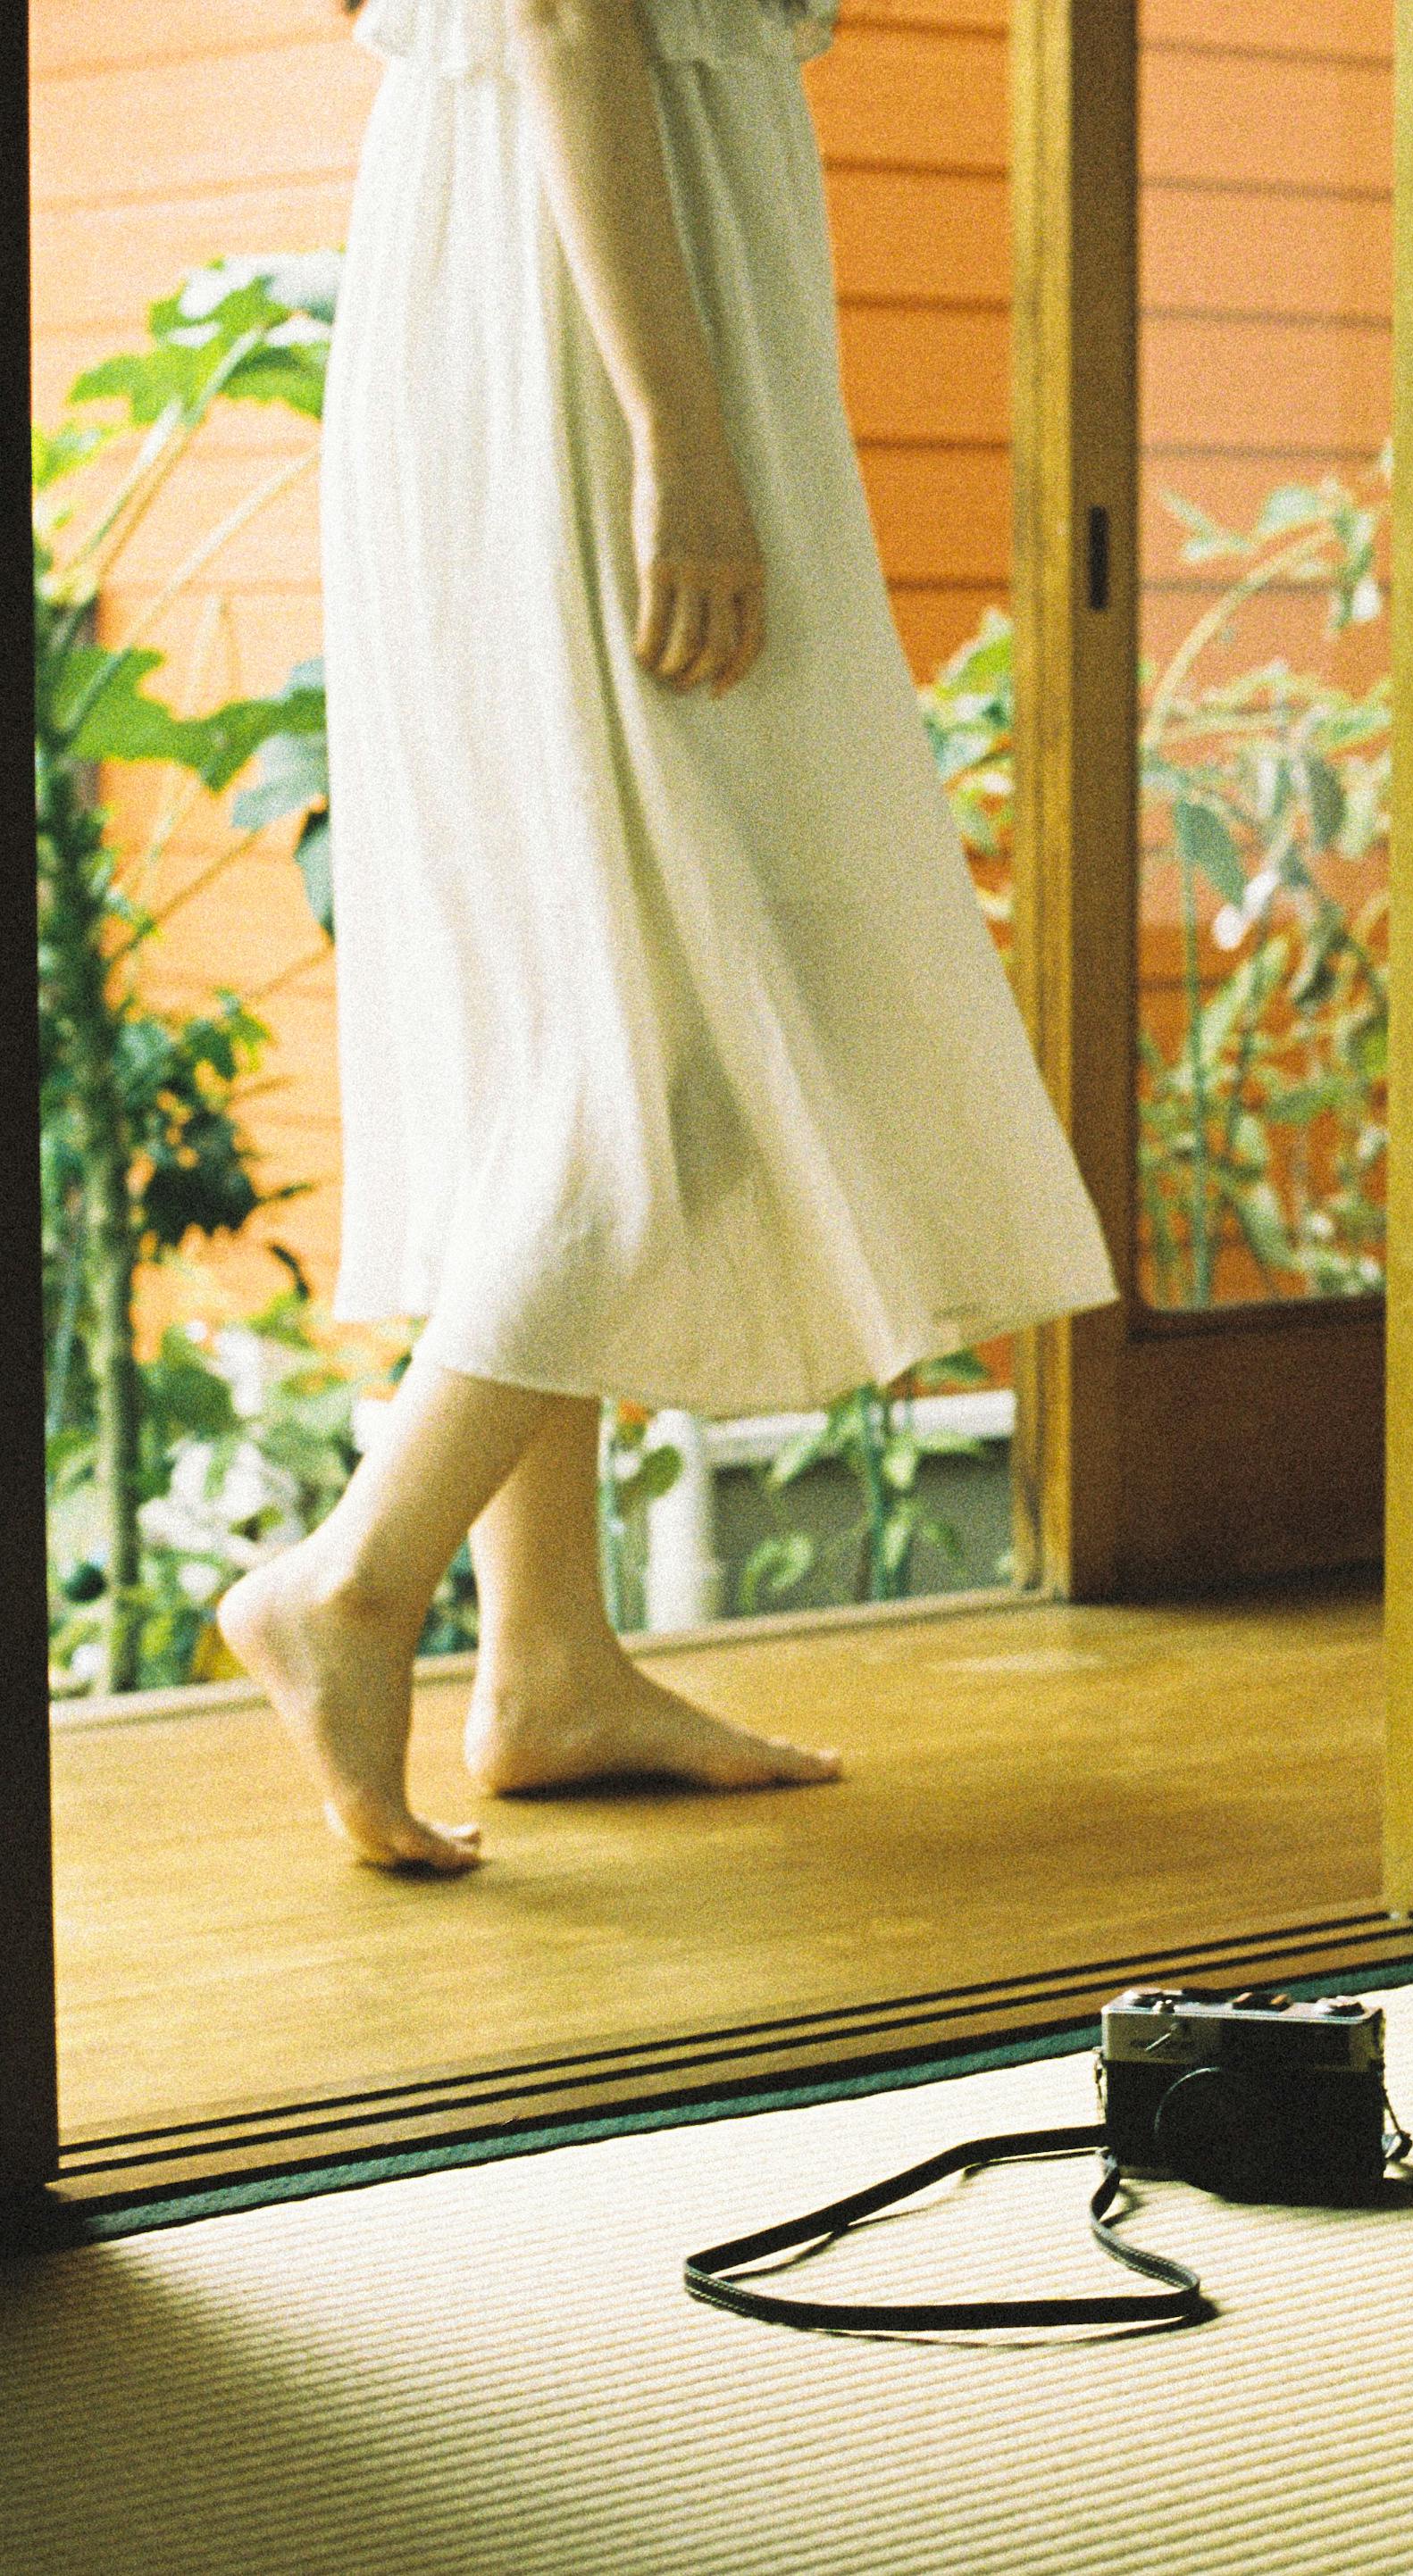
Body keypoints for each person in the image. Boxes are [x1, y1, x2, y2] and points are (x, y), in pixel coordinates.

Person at [218, 0, 1120, 1873]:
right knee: (709, 994)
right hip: (587, 322)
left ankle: (544, 1659)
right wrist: (680, 439)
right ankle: (364, 1579)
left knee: (580, 991)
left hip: (562, 273)